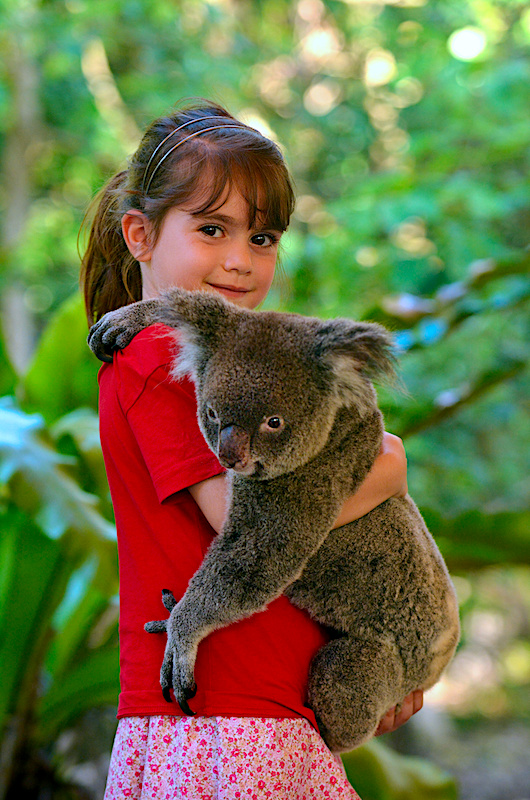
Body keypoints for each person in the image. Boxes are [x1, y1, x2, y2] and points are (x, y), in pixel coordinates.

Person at [81, 100, 423, 800]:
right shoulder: (159, 357)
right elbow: (245, 523)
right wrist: (389, 468)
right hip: (220, 722)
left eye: (262, 238)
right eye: (212, 229)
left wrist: (382, 665)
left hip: (265, 711)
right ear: (140, 234)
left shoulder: (232, 360)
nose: (240, 260)